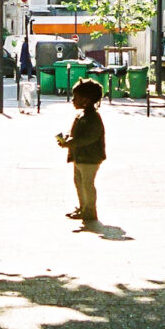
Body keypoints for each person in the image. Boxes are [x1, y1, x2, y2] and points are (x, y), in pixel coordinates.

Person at [57, 78, 106, 222]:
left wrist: (71, 142)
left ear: (86, 100)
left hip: (90, 158)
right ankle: (83, 207)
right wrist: (67, 138)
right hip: (80, 157)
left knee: (87, 184)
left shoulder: (93, 118)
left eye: (75, 98)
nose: (73, 100)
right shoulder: (81, 115)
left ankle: (90, 210)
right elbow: (76, 133)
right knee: (79, 182)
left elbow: (89, 137)